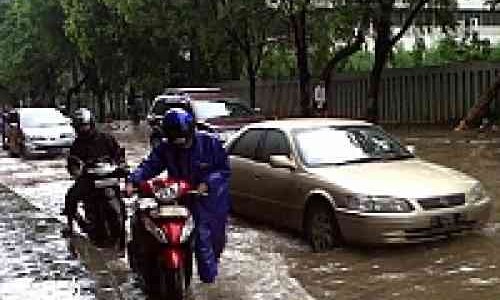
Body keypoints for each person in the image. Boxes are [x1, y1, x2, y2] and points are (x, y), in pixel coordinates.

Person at [126, 108, 231, 284]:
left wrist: (208, 183)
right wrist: (133, 180)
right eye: (176, 142)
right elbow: (150, 165)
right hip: (181, 197)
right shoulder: (166, 148)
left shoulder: (210, 143)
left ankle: (209, 282)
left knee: (209, 243)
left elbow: (223, 169)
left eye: (184, 140)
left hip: (210, 201)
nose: (181, 145)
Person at [62, 108, 122, 237]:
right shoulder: (77, 145)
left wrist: (122, 165)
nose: (84, 129)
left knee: (122, 196)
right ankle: (70, 225)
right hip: (89, 179)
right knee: (70, 196)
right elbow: (72, 163)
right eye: (80, 126)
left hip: (109, 178)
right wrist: (76, 170)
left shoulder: (106, 138)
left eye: (85, 125)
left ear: (92, 123)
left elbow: (118, 154)